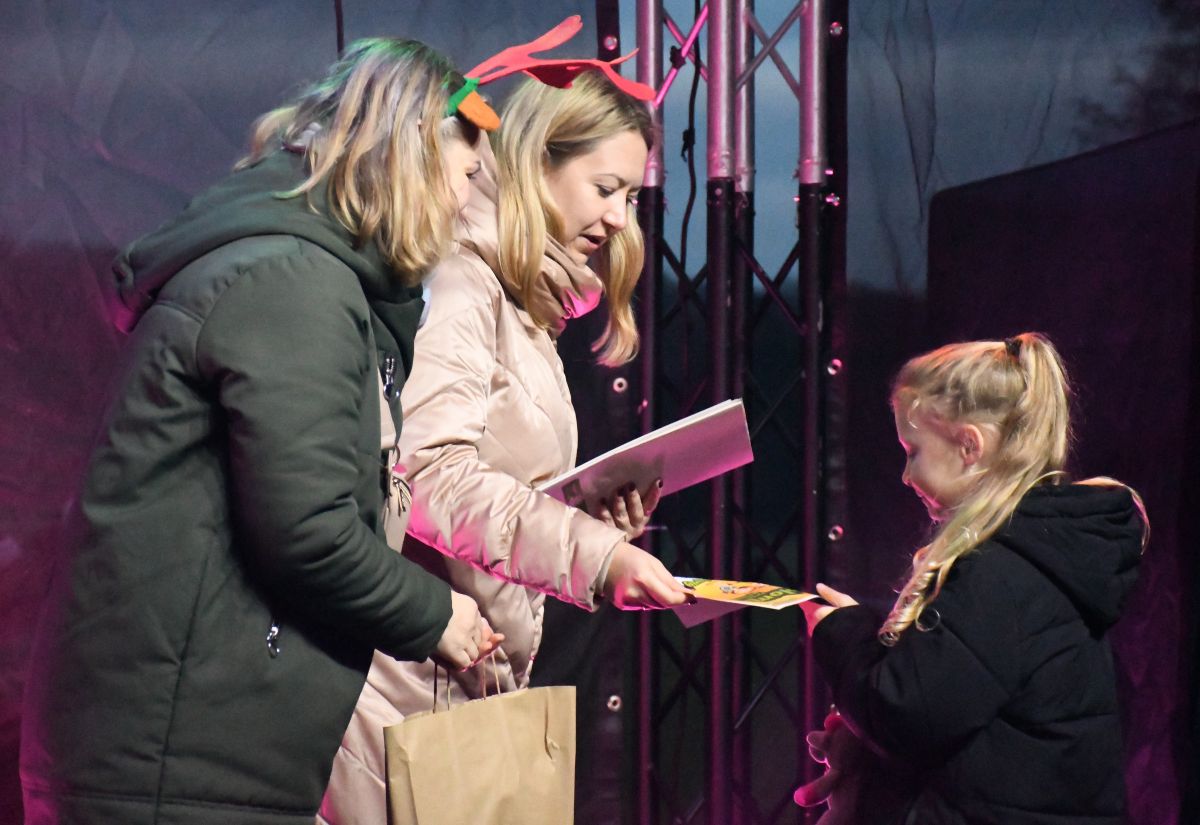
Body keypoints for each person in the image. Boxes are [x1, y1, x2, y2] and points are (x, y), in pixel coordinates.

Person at [19, 39, 503, 825]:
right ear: (410, 155)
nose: (465, 202)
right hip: (171, 770)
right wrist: (437, 614)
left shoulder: (297, 273)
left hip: (180, 759)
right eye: (465, 173)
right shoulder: (292, 282)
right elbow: (306, 531)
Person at [318, 69, 688, 823]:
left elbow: (489, 485)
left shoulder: (519, 303)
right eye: (605, 188)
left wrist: (585, 517)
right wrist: (593, 554)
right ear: (534, 160)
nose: (619, 218)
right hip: (403, 699)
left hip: (458, 693)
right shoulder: (460, 281)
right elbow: (426, 475)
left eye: (631, 198)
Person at [799, 332, 1148, 824]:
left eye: (913, 451)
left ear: (968, 446)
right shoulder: (1032, 561)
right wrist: (864, 757)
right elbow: (965, 727)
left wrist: (841, 633)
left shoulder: (1003, 573)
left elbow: (908, 715)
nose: (905, 475)